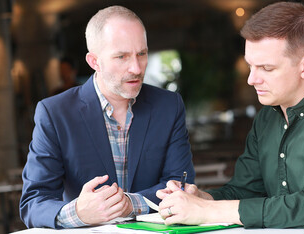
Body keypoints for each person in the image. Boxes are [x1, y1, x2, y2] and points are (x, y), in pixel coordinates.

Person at [156, 2, 304, 233]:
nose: (251, 79)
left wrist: (208, 211)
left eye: (266, 68)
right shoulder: (266, 119)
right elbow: (245, 191)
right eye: (250, 66)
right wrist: (201, 198)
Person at [20, 5, 195, 228]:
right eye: (121, 56)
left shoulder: (169, 106)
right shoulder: (55, 113)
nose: (136, 67)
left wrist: (130, 204)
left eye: (142, 54)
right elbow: (33, 202)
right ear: (94, 62)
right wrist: (78, 213)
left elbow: (183, 185)